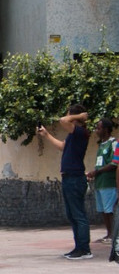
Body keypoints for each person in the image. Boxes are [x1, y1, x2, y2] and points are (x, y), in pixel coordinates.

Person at [37, 106, 92, 260]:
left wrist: (80, 115)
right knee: (72, 214)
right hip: (69, 177)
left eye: (69, 114)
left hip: (75, 177)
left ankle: (84, 249)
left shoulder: (80, 132)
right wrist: (46, 135)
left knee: (78, 214)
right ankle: (79, 247)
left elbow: (62, 120)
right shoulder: (73, 135)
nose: (65, 116)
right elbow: (62, 146)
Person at [86, 118, 116, 243]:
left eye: (98, 128)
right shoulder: (101, 145)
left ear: (106, 129)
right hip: (100, 183)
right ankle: (109, 233)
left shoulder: (113, 143)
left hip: (109, 183)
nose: (96, 130)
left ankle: (114, 235)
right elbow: (100, 164)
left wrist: (97, 172)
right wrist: (93, 173)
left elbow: (114, 163)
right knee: (103, 210)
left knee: (110, 210)